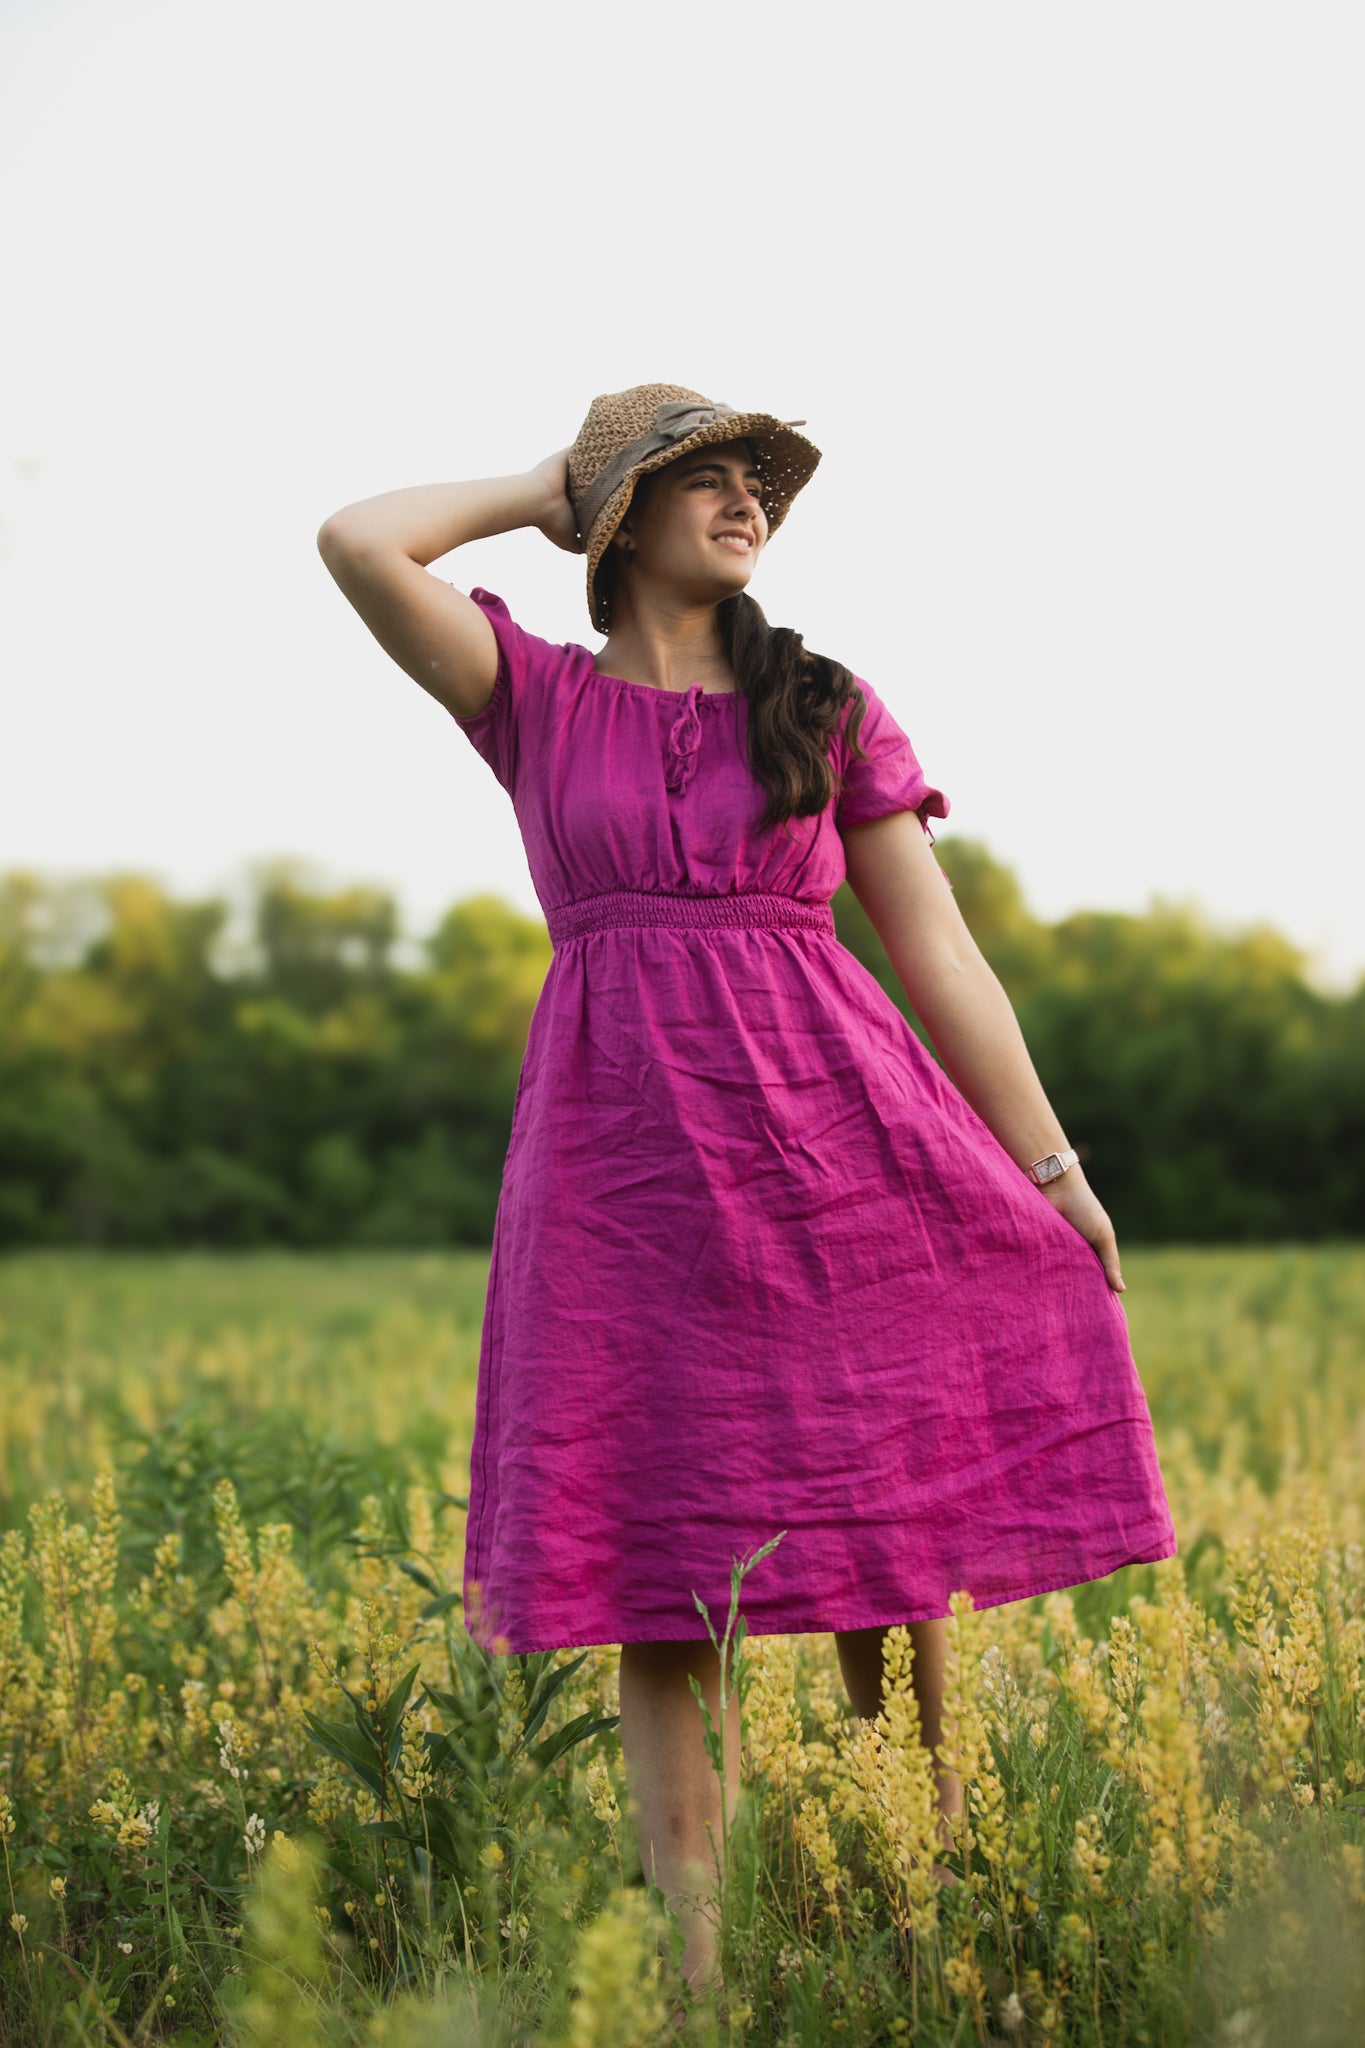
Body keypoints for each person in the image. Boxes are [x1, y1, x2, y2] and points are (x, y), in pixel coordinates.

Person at [317, 382, 1178, 1994]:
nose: (744, 503)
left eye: (753, 484)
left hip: (840, 1136)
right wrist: (546, 484)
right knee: (660, 1551)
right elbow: (358, 541)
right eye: (698, 480)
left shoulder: (825, 702)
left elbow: (938, 951)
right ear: (622, 516)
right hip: (623, 1165)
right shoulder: (535, 699)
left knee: (896, 1501)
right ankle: (697, 1966)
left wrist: (1051, 1166)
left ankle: (926, 1885)